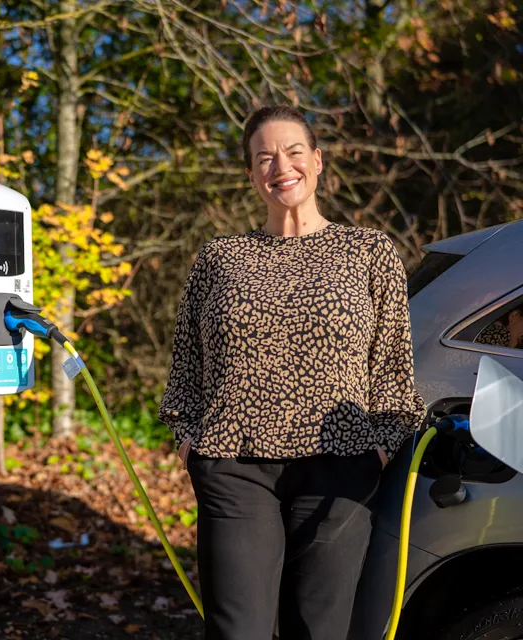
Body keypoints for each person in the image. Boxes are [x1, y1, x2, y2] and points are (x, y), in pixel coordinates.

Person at [159, 105, 426, 640]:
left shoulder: (369, 252)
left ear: (318, 161)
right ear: (251, 173)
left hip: (340, 469)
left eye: (293, 151)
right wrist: (189, 440)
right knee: (239, 631)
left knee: (319, 630)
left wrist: (379, 445)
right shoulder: (220, 258)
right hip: (234, 469)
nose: (280, 165)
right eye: (264, 157)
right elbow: (185, 366)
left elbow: (393, 368)